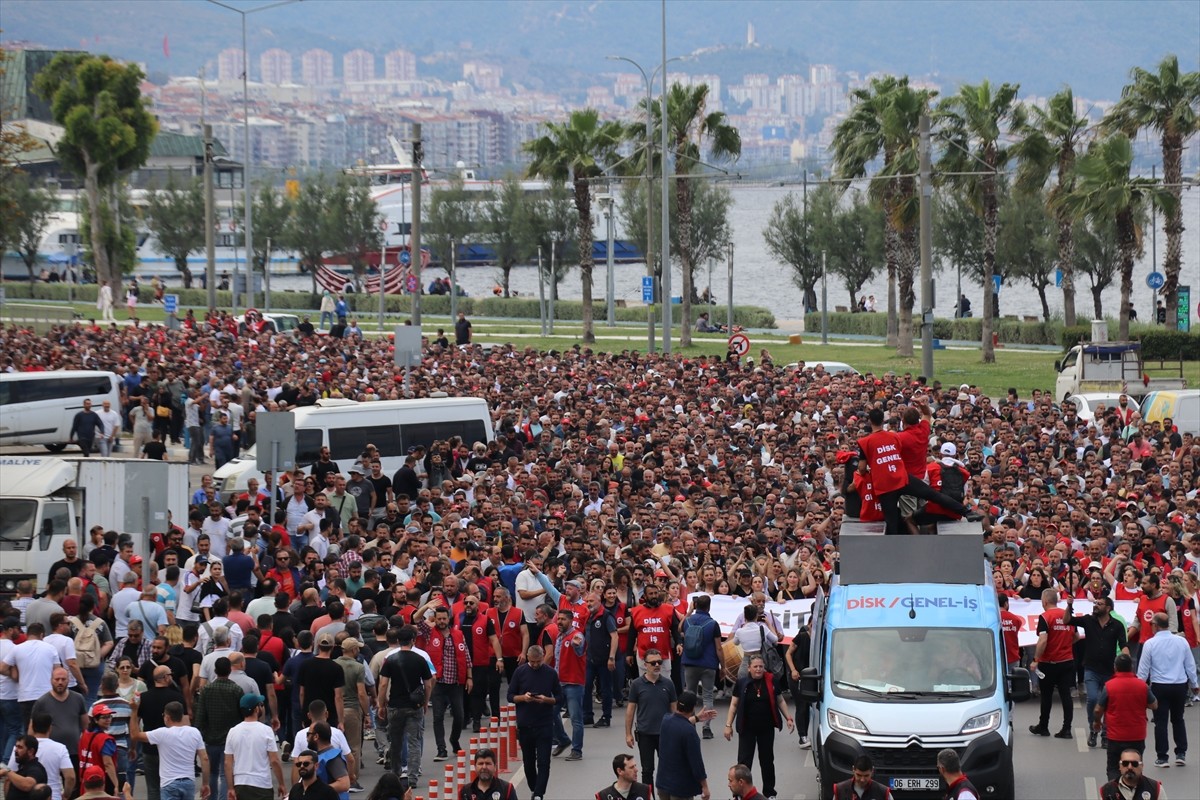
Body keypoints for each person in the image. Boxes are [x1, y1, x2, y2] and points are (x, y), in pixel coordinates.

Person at [722, 655, 793, 800]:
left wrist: (788, 718)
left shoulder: (771, 681)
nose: (758, 669)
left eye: (761, 666)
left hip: (766, 729)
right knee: (744, 763)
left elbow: (780, 701)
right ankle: (739, 794)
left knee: (767, 761)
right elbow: (734, 705)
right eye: (755, 666)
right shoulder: (742, 683)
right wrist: (728, 725)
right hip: (746, 729)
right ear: (749, 668)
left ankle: (770, 793)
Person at [1063, 594, 1129, 748]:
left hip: (1109, 671)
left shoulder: (1117, 625)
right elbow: (1067, 620)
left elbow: (1123, 644)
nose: (1096, 605)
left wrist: (1126, 663)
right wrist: (1069, 605)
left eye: (1100, 604)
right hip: (1091, 669)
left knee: (1109, 703)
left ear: (1108, 608)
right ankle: (1094, 728)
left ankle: (1106, 733)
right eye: (1096, 603)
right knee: (1093, 698)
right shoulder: (1088, 620)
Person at [1137, 611, 1197, 767]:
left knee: (1160, 722)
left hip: (1160, 686)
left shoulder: (1150, 644)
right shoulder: (1181, 642)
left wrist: (1139, 688)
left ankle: (1162, 757)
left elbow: (1143, 670)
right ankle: (1181, 753)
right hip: (1179, 685)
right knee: (1178, 719)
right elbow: (1190, 665)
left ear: (1155, 626)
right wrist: (1194, 684)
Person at [377, 626, 433, 788]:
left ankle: (395, 774)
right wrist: (425, 702)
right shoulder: (420, 659)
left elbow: (383, 684)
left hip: (395, 705)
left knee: (396, 741)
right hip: (414, 706)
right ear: (413, 640)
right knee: (414, 741)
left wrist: (381, 704)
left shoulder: (391, 659)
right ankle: (412, 777)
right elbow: (428, 684)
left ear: (398, 640)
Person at [507, 645, 562, 800]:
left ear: (543, 657)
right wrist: (523, 698)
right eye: (532, 662)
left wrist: (546, 700)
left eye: (539, 661)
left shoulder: (551, 673)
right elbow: (510, 695)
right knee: (528, 762)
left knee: (544, 762)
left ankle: (538, 794)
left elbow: (559, 697)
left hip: (544, 724)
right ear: (528, 659)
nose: (536, 665)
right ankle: (534, 788)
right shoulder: (520, 672)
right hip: (525, 724)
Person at [1094, 653, 1157, 783]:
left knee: (1113, 768)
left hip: (1116, 736)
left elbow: (1098, 709)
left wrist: (1097, 722)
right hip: (1137, 736)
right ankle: (1134, 790)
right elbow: (1154, 705)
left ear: (1115, 667)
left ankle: (1115, 791)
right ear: (1131, 667)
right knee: (1135, 767)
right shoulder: (1142, 686)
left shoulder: (1109, 686)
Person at [130, 700, 209, 800]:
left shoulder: (162, 733)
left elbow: (135, 735)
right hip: (188, 781)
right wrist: (205, 783)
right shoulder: (194, 732)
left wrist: (134, 711)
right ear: (181, 716)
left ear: (167, 717)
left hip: (169, 783)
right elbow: (205, 758)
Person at [624, 648, 677, 786]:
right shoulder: (636, 684)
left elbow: (674, 709)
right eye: (653, 663)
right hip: (645, 734)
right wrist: (628, 734)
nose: (657, 665)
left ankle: (666, 794)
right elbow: (630, 710)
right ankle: (647, 795)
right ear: (645, 665)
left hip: (665, 734)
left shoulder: (668, 684)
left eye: (659, 662)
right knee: (647, 770)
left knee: (668, 768)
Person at [1028, 588, 1075, 738]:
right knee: (1066, 695)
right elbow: (1076, 636)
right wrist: (1065, 645)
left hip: (1049, 662)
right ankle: (1066, 728)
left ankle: (1043, 726)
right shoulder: (1067, 615)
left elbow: (1043, 641)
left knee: (1046, 696)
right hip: (1066, 661)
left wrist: (1035, 660)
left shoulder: (1045, 617)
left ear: (1045, 601)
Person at [855, 408, 909, 535]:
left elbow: (862, 469)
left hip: (885, 486)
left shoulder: (865, 441)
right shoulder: (894, 436)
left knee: (891, 519)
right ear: (883, 420)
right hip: (902, 478)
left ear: (870, 421)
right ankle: (957, 508)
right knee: (930, 494)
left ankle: (893, 544)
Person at [225, 693, 285, 800]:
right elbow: (274, 761)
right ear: (256, 709)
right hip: (262, 784)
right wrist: (281, 783)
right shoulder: (266, 730)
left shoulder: (232, 732)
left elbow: (227, 763)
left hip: (240, 784)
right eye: (261, 705)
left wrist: (230, 788)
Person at [679, 594, 721, 740]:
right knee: (708, 695)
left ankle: (690, 724)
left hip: (690, 662)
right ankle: (706, 728)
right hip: (708, 663)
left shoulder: (688, 621)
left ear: (695, 605)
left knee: (690, 694)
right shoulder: (713, 624)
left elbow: (679, 628)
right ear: (709, 607)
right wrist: (723, 666)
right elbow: (718, 648)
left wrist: (689, 612)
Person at [655, 691, 710, 800]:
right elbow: (696, 762)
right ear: (693, 708)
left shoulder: (666, 721)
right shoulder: (689, 732)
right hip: (681, 788)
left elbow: (678, 722)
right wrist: (705, 786)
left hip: (663, 783)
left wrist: (696, 718)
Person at [552, 608, 586, 761]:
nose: (559, 622)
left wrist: (576, 645)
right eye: (558, 619)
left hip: (573, 683)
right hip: (559, 683)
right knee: (551, 713)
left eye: (563, 619)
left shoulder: (576, 636)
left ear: (571, 621)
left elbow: (579, 648)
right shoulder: (559, 637)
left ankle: (577, 750)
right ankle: (563, 740)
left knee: (576, 719)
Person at [18, 714, 74, 800]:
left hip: (25, 796)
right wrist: (66, 795)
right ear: (50, 727)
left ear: (31, 726)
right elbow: (70, 777)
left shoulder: (20, 747)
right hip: (53, 795)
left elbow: (10, 776)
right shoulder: (60, 748)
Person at [1099, 748, 1164, 800]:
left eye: (1134, 764)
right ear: (1120, 766)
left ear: (1142, 766)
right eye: (1125, 763)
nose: (1129, 767)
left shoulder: (1155, 789)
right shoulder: (1107, 790)